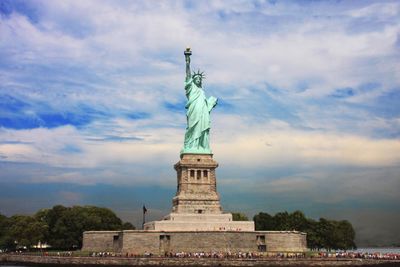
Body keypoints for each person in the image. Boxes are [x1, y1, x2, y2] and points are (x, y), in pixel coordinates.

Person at [181, 48, 217, 154]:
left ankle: (201, 146)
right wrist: (187, 61)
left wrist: (211, 104)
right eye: (196, 78)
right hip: (194, 110)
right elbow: (188, 75)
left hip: (203, 113)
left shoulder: (202, 91)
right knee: (192, 127)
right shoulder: (191, 87)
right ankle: (191, 145)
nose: (198, 79)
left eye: (199, 78)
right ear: (193, 80)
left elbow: (206, 105)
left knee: (203, 128)